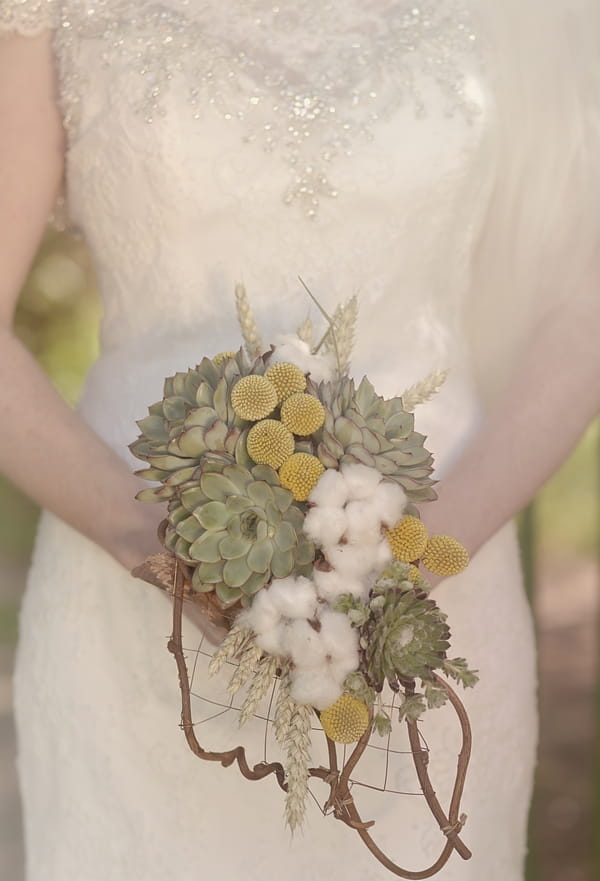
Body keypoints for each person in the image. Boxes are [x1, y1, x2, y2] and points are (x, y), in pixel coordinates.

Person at [1, 0, 598, 879]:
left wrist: (414, 562)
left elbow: (582, 307)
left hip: (437, 601)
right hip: (134, 612)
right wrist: (164, 557)